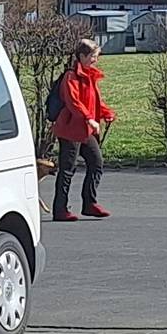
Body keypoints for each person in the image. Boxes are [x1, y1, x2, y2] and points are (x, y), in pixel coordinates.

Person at [49, 38, 116, 222]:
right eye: (93, 56)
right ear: (82, 56)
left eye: (96, 56)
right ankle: (60, 209)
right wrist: (89, 119)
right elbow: (73, 102)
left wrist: (106, 113)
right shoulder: (71, 76)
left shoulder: (89, 76)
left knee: (96, 163)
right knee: (67, 170)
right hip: (70, 129)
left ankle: (89, 204)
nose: (96, 60)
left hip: (86, 130)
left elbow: (95, 102)